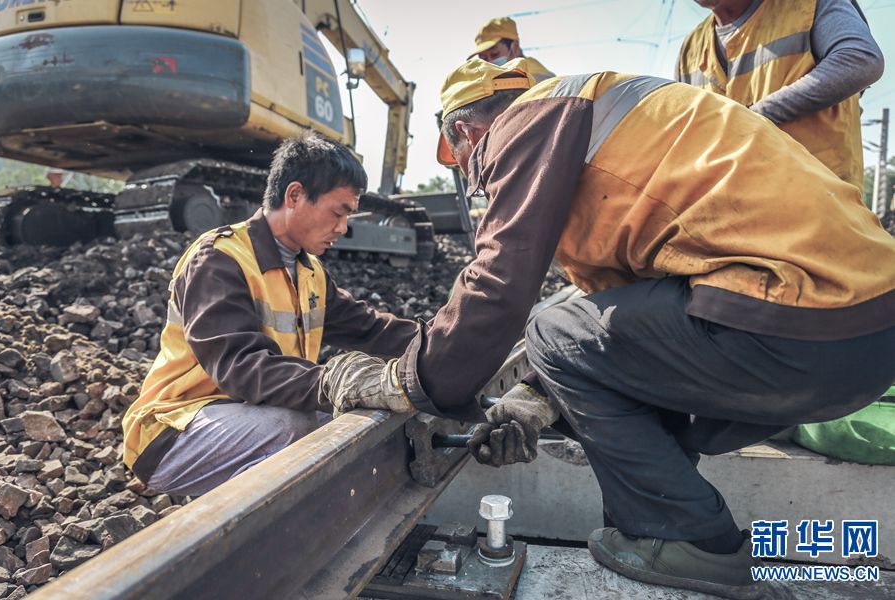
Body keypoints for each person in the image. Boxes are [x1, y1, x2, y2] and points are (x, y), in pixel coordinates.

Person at [319, 59, 895, 599]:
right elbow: (621, 318)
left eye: (465, 163)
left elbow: (500, 281)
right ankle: (654, 532)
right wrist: (536, 399)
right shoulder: (609, 136)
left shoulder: (530, 122)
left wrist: (412, 381)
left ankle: (692, 539)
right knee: (570, 336)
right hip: (862, 338)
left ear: (467, 134)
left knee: (550, 329)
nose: (477, 181)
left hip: (796, 321)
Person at [121, 132, 418, 497]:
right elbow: (241, 367)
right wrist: (333, 382)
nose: (343, 227)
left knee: (344, 421)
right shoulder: (220, 259)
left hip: (243, 421)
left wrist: (441, 338)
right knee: (297, 423)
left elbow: (370, 329)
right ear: (294, 196)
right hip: (172, 433)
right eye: (338, 212)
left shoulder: (308, 272)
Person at [676, 0, 884, 190]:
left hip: (816, 202)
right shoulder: (691, 47)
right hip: (730, 207)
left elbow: (859, 60)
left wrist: (755, 116)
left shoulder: (808, 6)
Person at [468, 17, 554, 83]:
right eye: (484, 58)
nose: (489, 62)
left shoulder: (531, 75)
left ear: (515, 47)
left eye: (494, 54)